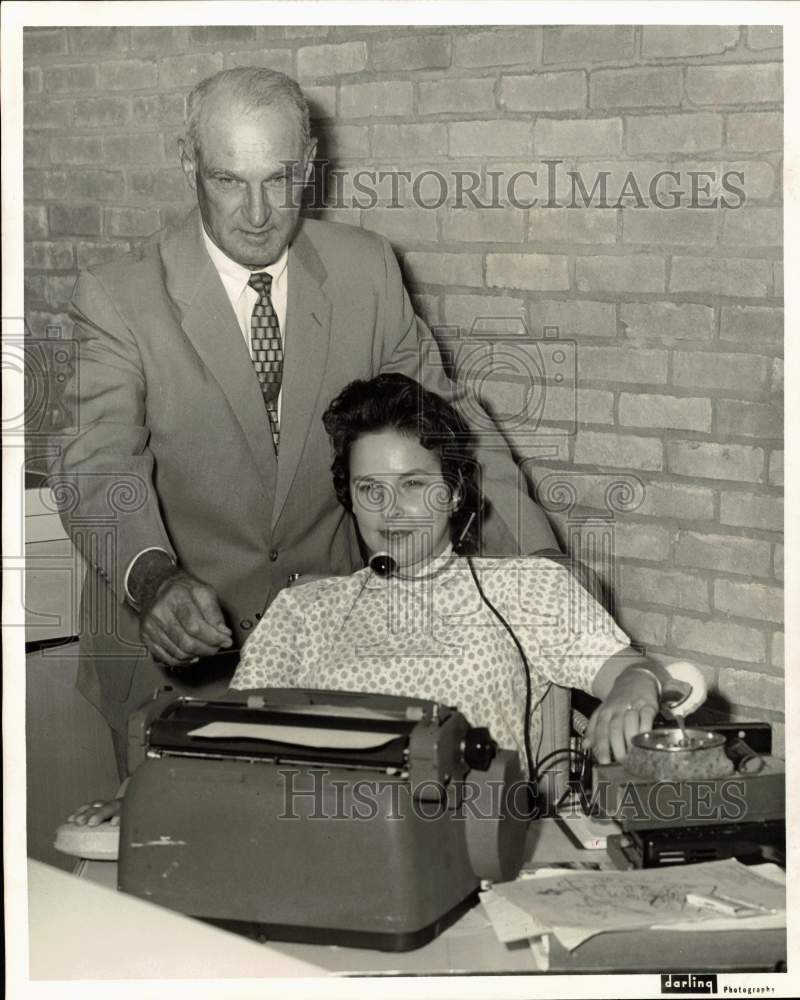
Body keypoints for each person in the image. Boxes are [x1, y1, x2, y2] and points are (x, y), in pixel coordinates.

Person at [50, 66, 558, 773]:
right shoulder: (118, 298)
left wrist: (546, 568)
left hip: (336, 659)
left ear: (312, 167)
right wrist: (152, 581)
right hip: (172, 669)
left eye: (280, 179)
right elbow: (96, 463)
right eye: (229, 180)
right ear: (188, 163)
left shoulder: (367, 271)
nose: (258, 213)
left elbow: (450, 436)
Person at [69, 374, 669, 830]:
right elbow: (236, 740)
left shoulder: (526, 588)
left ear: (455, 491)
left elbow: (634, 671)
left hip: (475, 843)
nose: (393, 510)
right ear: (349, 499)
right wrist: (139, 796)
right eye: (370, 490)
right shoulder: (304, 610)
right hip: (316, 839)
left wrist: (633, 690)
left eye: (414, 485)